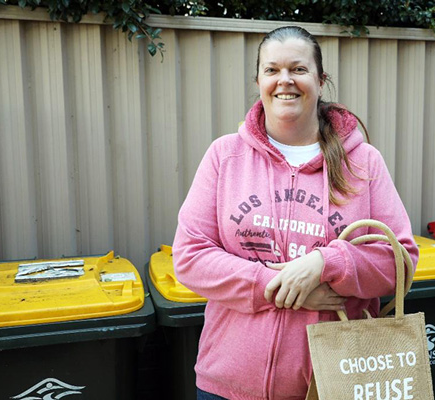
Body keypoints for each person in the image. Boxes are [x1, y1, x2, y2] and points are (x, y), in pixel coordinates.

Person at [172, 26, 418, 400]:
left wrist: (325, 264)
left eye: (298, 69)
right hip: (227, 386)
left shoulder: (363, 161)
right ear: (258, 80)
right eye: (272, 70)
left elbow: (400, 261)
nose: (284, 80)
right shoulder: (225, 156)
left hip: (332, 384)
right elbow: (190, 258)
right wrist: (285, 291)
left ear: (320, 80)